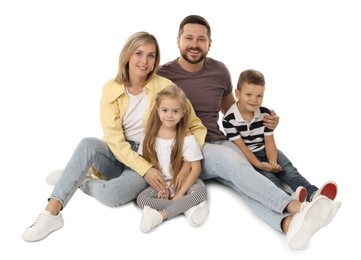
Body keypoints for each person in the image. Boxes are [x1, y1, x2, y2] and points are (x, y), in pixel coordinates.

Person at [157, 14, 341, 250]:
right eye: (189, 38)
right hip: (189, 149)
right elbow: (155, 120)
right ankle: (297, 206)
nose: (194, 44)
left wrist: (263, 119)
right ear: (178, 41)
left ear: (209, 43)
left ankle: (288, 224)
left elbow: (232, 110)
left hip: (218, 141)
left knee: (245, 181)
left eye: (201, 39)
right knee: (235, 164)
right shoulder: (163, 75)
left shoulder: (219, 71)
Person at [22, 31, 207, 242]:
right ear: (128, 55)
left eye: (151, 55)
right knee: (87, 144)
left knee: (114, 196)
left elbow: (196, 127)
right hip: (120, 153)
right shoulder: (111, 88)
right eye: (139, 53)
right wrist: (144, 170)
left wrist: (185, 162)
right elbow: (114, 139)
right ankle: (52, 211)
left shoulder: (166, 87)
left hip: (149, 156)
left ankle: (79, 179)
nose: (144, 61)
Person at [222, 69, 337, 202]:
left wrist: (273, 162)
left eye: (259, 96)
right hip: (249, 156)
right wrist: (259, 164)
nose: (254, 100)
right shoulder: (229, 119)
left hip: (267, 149)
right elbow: (242, 148)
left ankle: (313, 194)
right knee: (269, 178)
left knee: (288, 170)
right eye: (248, 94)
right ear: (237, 93)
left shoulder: (265, 115)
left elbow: (269, 141)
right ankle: (289, 201)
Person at [136, 84, 208, 233]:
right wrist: (161, 188)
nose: (169, 115)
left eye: (175, 111)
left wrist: (181, 193)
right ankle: (188, 208)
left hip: (183, 183)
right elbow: (146, 163)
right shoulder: (149, 135)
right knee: (141, 200)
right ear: (157, 110)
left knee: (200, 192)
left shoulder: (186, 137)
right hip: (161, 184)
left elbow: (196, 169)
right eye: (165, 110)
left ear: (183, 113)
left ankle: (161, 215)